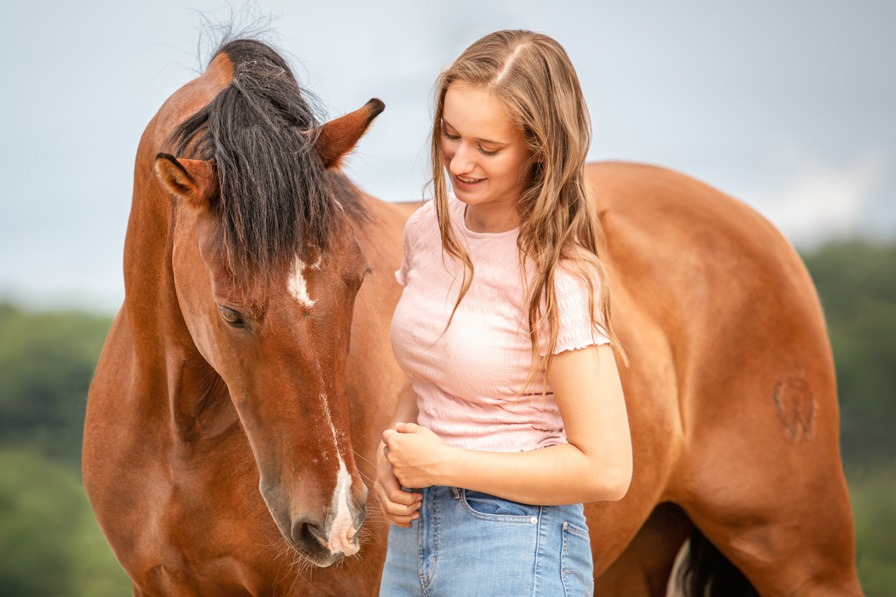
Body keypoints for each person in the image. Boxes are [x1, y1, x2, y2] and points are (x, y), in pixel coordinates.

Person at [375, 30, 633, 597]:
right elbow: (428, 375)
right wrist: (392, 451)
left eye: (487, 148)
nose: (459, 161)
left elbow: (607, 470)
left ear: (538, 148)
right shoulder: (427, 229)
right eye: (450, 134)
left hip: (516, 541)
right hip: (413, 535)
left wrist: (445, 463)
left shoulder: (560, 278)